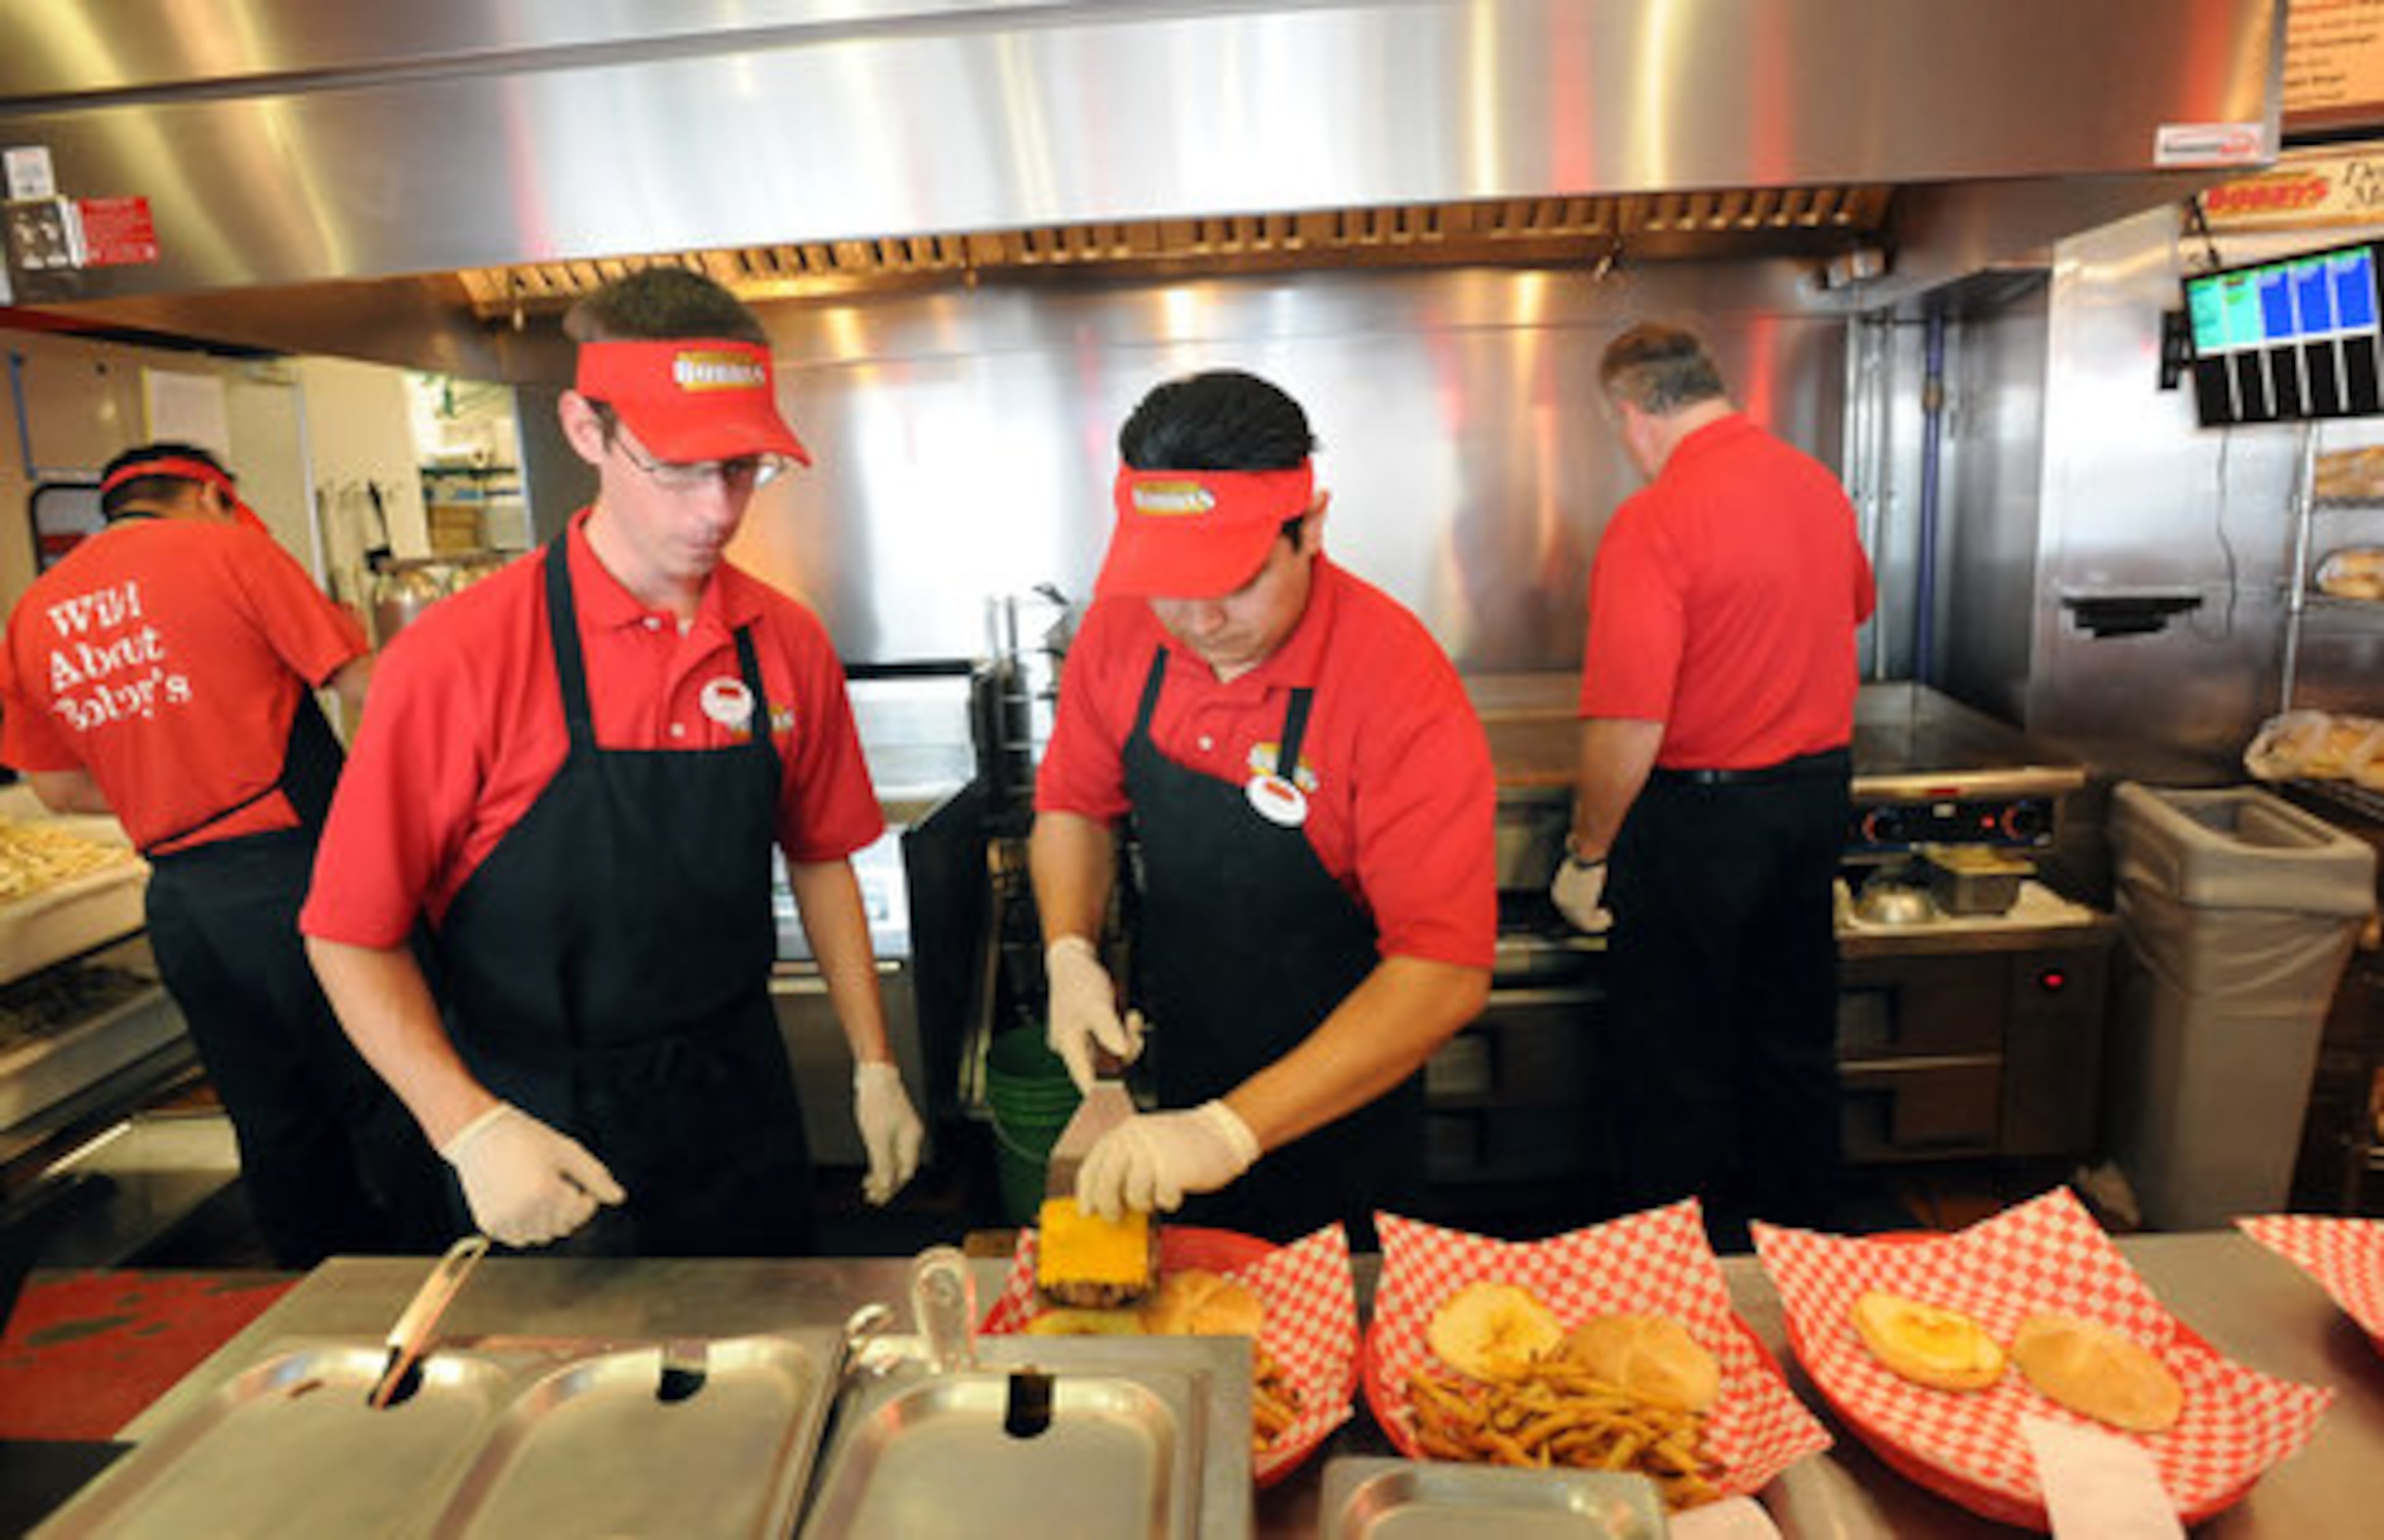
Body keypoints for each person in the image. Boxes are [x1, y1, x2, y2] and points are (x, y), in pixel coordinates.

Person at [300, 267, 923, 1254]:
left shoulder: (783, 640)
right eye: (676, 466)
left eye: (743, 468)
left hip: (738, 1104)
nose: (716, 509)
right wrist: (466, 1125)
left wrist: (874, 1064)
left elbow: (818, 854)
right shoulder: (462, 656)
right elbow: (346, 933)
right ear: (585, 430)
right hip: (540, 1124)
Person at [1032, 369, 1495, 1246]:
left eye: (1235, 580)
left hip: (1348, 1106)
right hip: (1186, 1071)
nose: (1199, 618)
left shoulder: (1398, 684)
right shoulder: (1122, 629)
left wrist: (1229, 1129)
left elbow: (1443, 969)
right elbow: (1074, 803)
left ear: (1310, 528)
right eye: (1170, 580)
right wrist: (1068, 949)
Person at [0, 442, 447, 1268]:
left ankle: (318, 1304)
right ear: (210, 493)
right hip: (304, 883)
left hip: (181, 907)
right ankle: (447, 1288)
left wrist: (170, 786)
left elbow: (59, 792)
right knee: (392, 1089)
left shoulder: (35, 613)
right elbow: (368, 685)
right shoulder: (232, 549)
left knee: (272, 1117)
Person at [1551, 322, 1876, 1245]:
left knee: (1673, 1053)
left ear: (1632, 411)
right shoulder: (1814, 484)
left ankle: (1679, 1262)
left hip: (1702, 815)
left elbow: (1628, 719)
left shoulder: (1657, 517)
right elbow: (1856, 602)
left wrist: (1588, 852)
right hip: (1815, 799)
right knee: (1793, 1038)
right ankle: (1806, 1251)